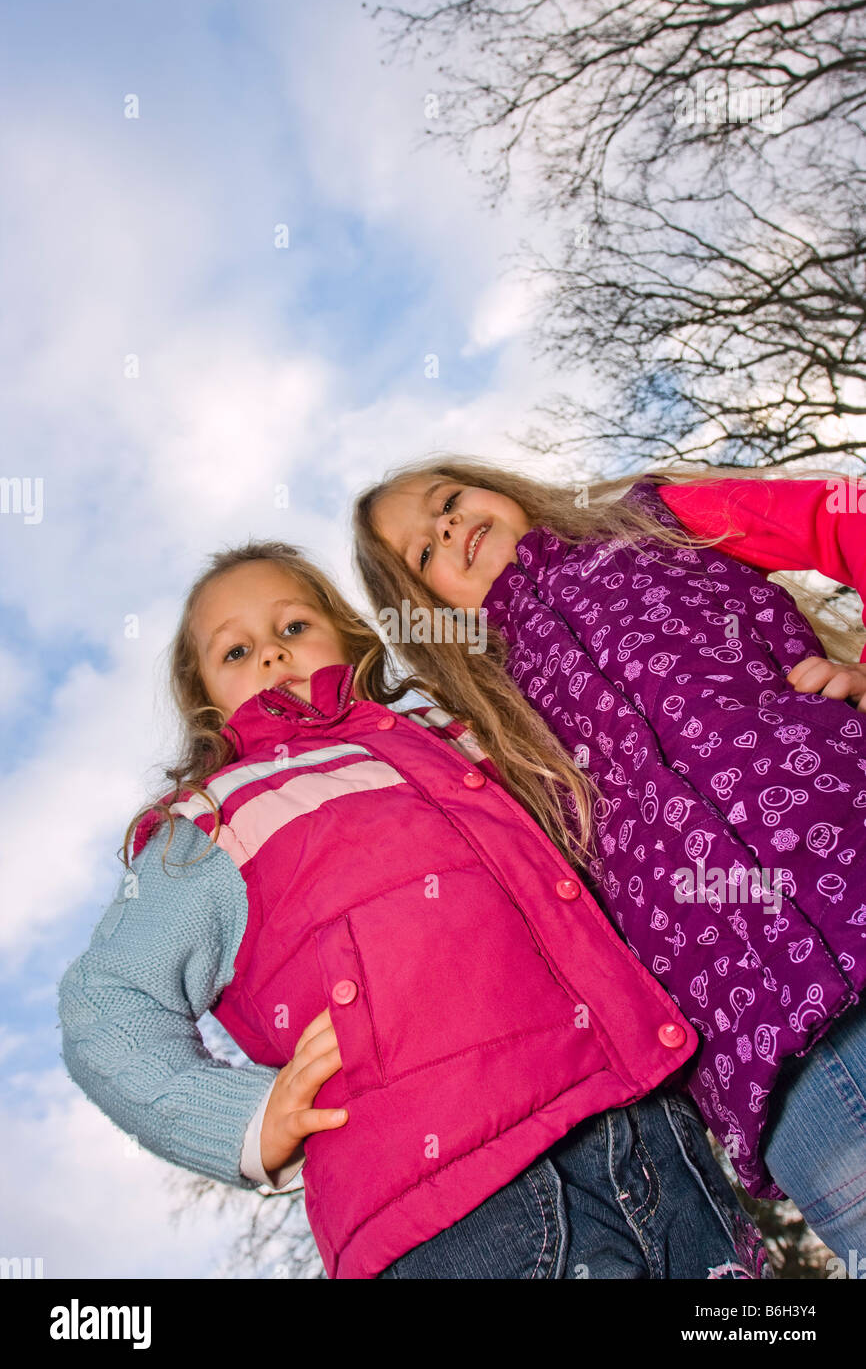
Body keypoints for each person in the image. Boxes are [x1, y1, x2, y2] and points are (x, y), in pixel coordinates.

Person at [57, 539, 770, 1281]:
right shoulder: (212, 823)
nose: (271, 654)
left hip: (650, 1129)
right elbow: (107, 999)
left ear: (349, 634)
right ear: (204, 696)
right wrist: (240, 1120)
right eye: (235, 651)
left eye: (294, 626)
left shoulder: (454, 740)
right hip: (455, 1212)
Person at [355, 458, 866, 1260]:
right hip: (766, 1061)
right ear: (427, 613)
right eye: (423, 553)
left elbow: (844, 514)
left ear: (501, 488)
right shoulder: (490, 727)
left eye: (449, 503)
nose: (448, 528)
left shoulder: (654, 520)